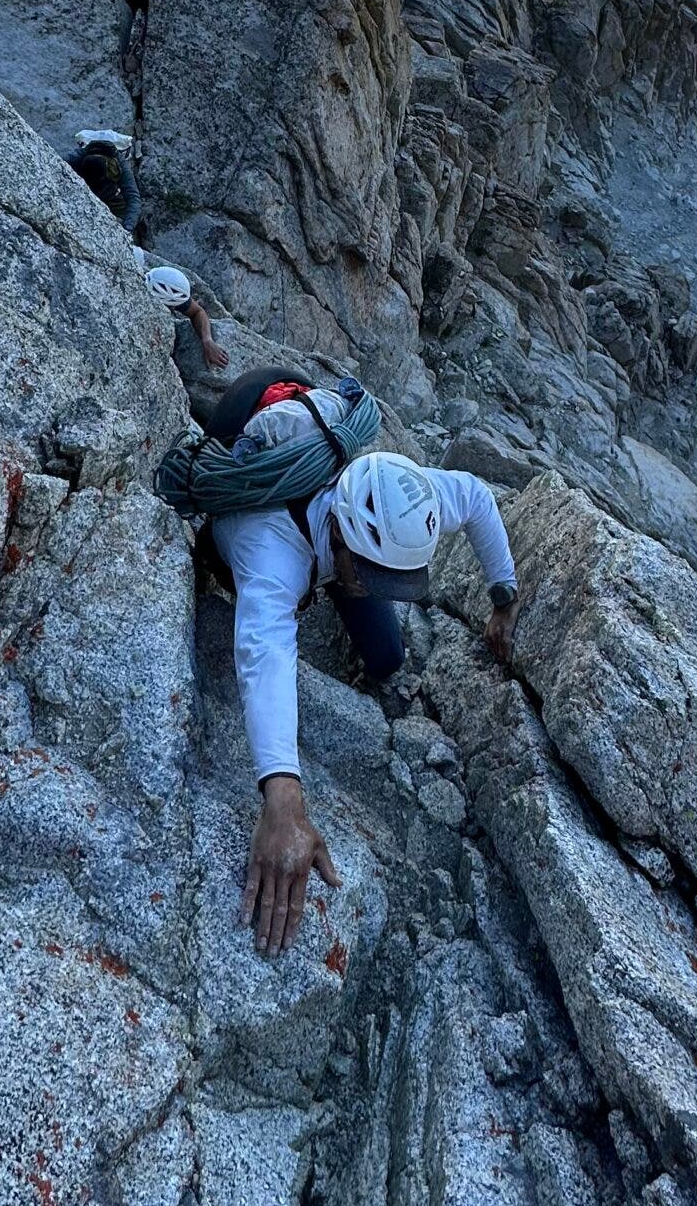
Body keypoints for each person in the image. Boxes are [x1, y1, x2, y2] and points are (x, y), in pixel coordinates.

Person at [209, 406, 518, 959]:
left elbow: (474, 497)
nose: (386, 589)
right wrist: (283, 798)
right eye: (374, 577)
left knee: (387, 657)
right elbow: (264, 655)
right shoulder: (270, 558)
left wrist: (503, 596)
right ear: (344, 542)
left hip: (326, 531)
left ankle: (341, 591)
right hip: (257, 471)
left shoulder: (405, 498)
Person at [143, 258, 229, 373]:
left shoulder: (165, 289)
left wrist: (207, 340)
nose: (173, 309)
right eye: (171, 306)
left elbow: (198, 312)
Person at [70, 127, 140, 236]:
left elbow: (57, 162)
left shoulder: (82, 154)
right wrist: (128, 228)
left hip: (79, 203)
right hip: (112, 205)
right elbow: (133, 197)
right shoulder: (120, 161)